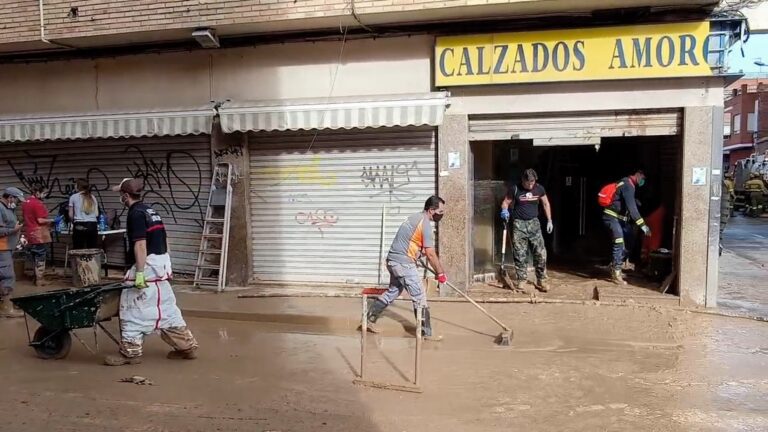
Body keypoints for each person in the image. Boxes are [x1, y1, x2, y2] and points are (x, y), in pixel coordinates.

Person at [104, 178, 198, 366]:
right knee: (166, 309)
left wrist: (139, 273)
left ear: (126, 195)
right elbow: (165, 238)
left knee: (132, 308)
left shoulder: (135, 214)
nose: (120, 198)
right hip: (160, 267)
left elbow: (140, 244)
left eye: (120, 194)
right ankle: (186, 346)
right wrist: (166, 265)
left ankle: (130, 353)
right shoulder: (150, 211)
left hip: (146, 266)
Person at [363, 195, 447, 341]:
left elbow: (409, 242)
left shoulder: (414, 218)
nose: (442, 214)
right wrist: (440, 273)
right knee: (419, 296)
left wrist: (416, 254)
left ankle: (368, 320)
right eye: (440, 211)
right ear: (431, 210)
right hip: (403, 264)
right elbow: (431, 254)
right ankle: (426, 333)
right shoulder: (425, 224)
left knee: (393, 291)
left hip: (393, 261)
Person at [499, 169, 553, 293]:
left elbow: (545, 203)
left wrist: (549, 220)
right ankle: (521, 280)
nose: (530, 184)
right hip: (519, 224)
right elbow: (505, 202)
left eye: (532, 182)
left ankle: (541, 280)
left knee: (540, 253)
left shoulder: (539, 189)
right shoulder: (515, 189)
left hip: (534, 224)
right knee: (520, 253)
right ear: (523, 180)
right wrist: (504, 210)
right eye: (528, 182)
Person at [602, 169, 651, 284]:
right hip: (611, 217)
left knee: (630, 238)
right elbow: (633, 210)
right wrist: (644, 226)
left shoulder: (626, 184)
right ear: (638, 174)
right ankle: (616, 273)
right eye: (643, 178)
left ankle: (615, 263)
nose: (643, 181)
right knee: (619, 240)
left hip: (620, 219)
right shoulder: (628, 185)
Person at [0, 187, 26, 318]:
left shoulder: (8, 208)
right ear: (10, 197)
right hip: (2, 247)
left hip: (7, 247)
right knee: (7, 276)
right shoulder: (0, 208)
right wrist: (14, 230)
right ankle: (7, 309)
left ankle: (5, 304)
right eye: (17, 200)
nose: (18, 203)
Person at [22, 183, 54, 287]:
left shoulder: (26, 202)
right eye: (44, 193)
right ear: (37, 192)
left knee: (33, 256)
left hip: (29, 233)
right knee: (40, 256)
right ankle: (40, 279)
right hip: (38, 234)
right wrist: (53, 220)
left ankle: (35, 277)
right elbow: (40, 220)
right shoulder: (37, 203)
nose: (45, 195)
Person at [68, 178, 99, 249]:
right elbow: (96, 214)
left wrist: (72, 222)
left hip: (79, 224)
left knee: (78, 248)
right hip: (92, 225)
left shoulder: (73, 197)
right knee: (92, 249)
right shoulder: (92, 197)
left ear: (78, 186)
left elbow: (70, 215)